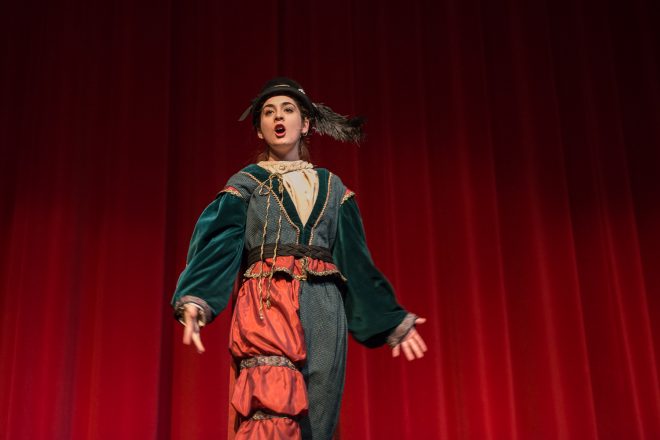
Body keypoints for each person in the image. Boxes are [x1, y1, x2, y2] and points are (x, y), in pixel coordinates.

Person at [171, 77, 427, 440]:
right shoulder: (247, 184)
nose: (278, 117)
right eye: (268, 112)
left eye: (288, 110)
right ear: (259, 129)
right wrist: (196, 297)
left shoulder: (334, 188)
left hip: (324, 308)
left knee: (317, 419)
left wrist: (391, 320)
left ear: (305, 124)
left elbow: (356, 261)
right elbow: (217, 243)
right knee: (271, 413)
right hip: (267, 302)